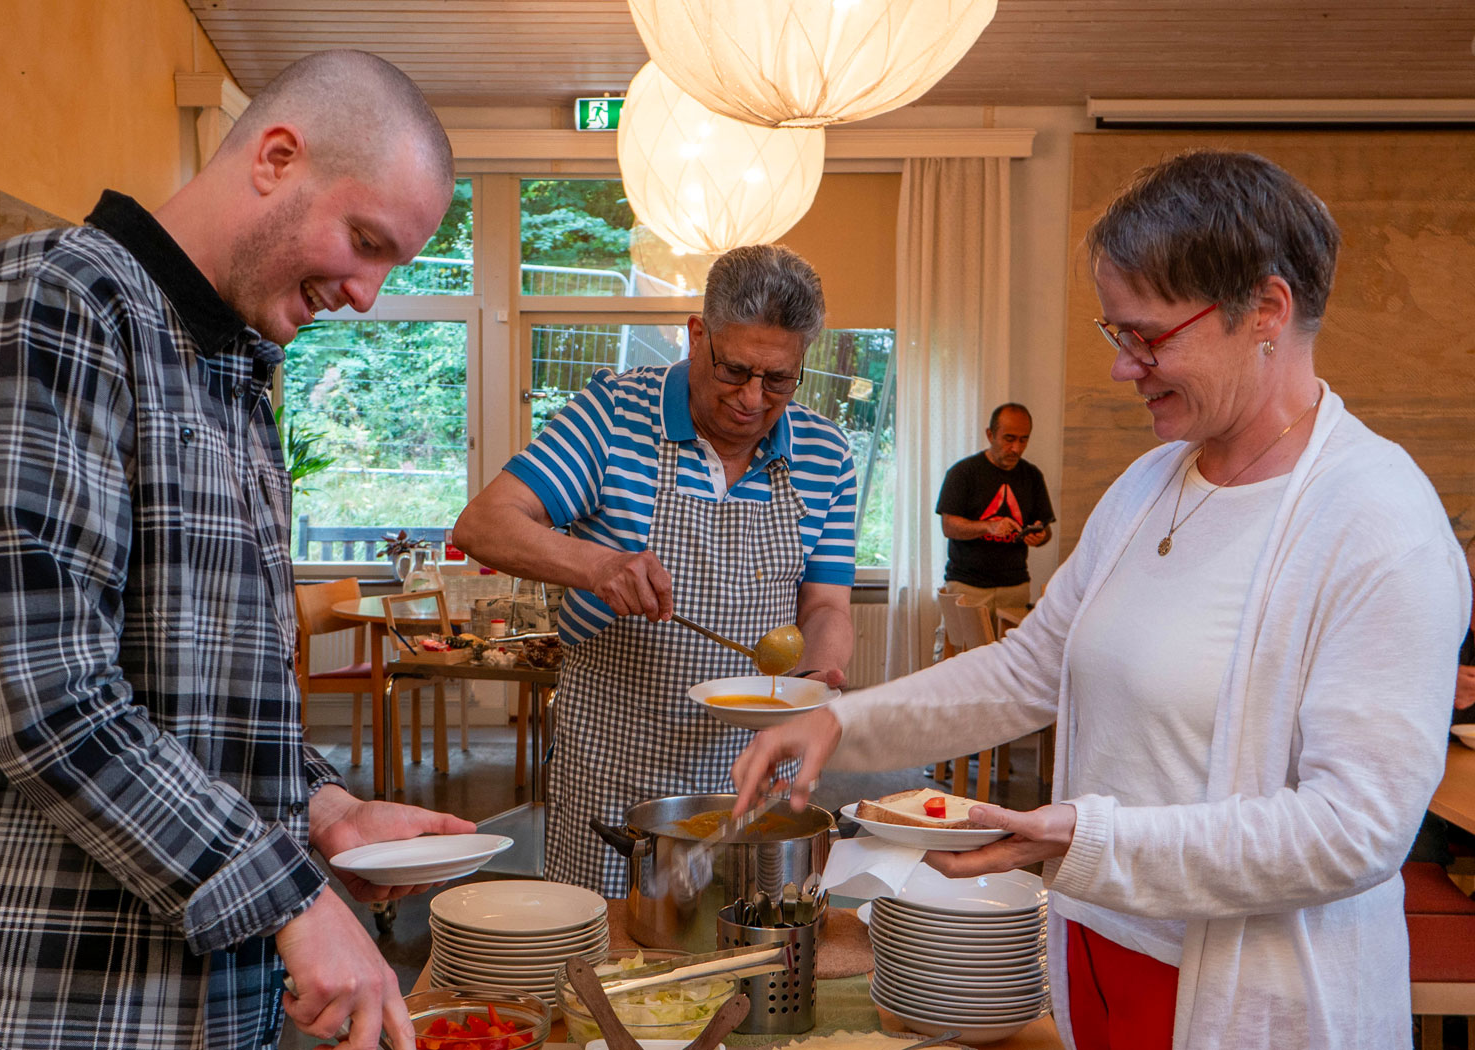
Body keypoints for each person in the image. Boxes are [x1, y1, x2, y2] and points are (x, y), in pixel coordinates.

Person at [0, 50, 473, 1050]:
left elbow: (197, 704)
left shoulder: (230, 377)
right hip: (5, 1007)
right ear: (276, 158)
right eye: (365, 241)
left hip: (163, 1009)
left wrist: (326, 809)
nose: (368, 293)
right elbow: (50, 699)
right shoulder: (51, 306)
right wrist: (295, 900)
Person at [730, 150, 1470, 1050]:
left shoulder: (1379, 521)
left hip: (1252, 1000)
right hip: (1097, 947)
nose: (1125, 368)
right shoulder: (1150, 484)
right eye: (1117, 333)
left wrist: (1084, 838)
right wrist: (840, 725)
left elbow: (1354, 831)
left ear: (1266, 311)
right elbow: (1028, 669)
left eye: (1148, 336)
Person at [453, 244, 857, 895]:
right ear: (697, 335)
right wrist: (597, 563)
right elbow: (483, 523)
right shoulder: (614, 416)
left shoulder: (826, 452)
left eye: (779, 380)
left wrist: (816, 686)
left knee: (749, 937)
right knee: (610, 949)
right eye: (735, 370)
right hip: (616, 774)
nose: (752, 398)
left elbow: (826, 607)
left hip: (755, 774)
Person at [934, 402, 1054, 651]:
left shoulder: (1032, 476)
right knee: (966, 662)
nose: (1016, 448)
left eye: (1023, 440)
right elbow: (949, 526)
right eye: (1009, 439)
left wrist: (1040, 536)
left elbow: (1046, 528)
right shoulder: (963, 472)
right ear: (990, 435)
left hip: (1015, 587)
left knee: (1011, 662)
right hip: (968, 586)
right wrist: (988, 527)